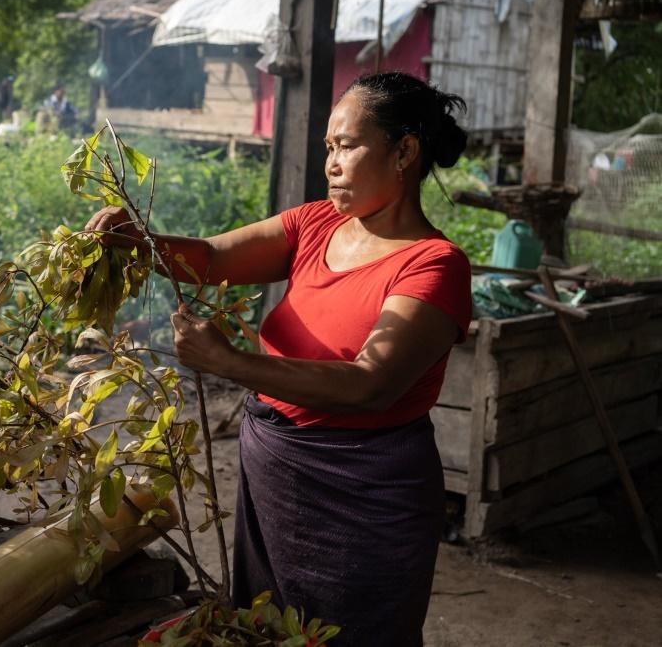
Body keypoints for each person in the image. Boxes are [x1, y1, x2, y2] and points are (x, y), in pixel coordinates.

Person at [85, 72, 472, 646]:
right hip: (277, 467)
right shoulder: (315, 224)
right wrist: (141, 243)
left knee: (352, 632)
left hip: (363, 490)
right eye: (328, 149)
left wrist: (230, 362)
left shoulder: (433, 265)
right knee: (268, 626)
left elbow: (371, 385)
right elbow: (213, 259)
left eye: (348, 145)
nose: (331, 164)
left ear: (405, 152)